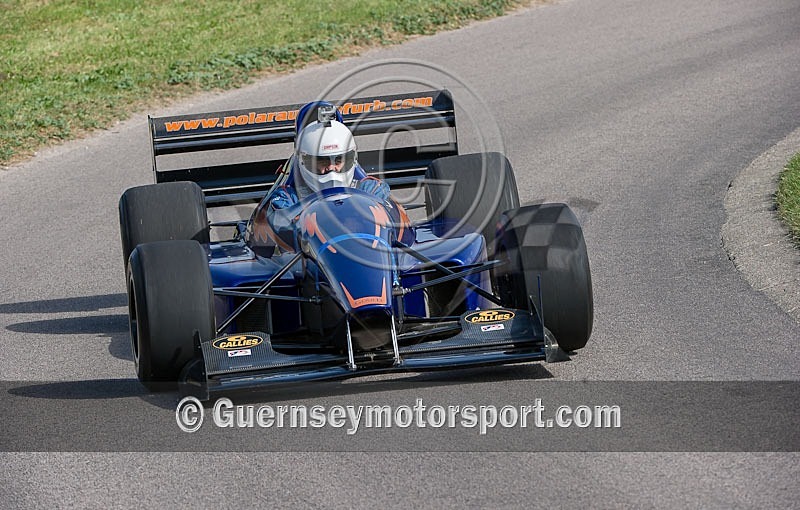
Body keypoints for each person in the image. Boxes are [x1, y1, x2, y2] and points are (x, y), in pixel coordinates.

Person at [248, 102, 391, 253]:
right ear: (305, 161)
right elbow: (280, 222)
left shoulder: (371, 189)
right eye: (322, 161)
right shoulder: (286, 197)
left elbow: (388, 213)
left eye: (338, 160)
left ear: (350, 158)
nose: (331, 168)